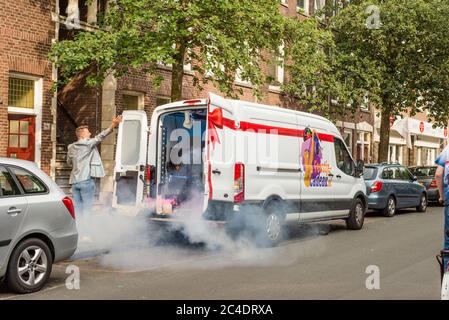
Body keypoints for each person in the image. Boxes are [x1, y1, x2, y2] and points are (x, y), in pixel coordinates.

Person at [67, 116, 123, 217]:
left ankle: (79, 228)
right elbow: (101, 136)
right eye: (88, 132)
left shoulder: (70, 147)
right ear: (83, 135)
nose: (90, 134)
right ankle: (87, 230)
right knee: (87, 209)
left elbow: (69, 162)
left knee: (78, 208)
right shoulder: (88, 144)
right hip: (86, 180)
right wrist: (114, 124)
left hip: (74, 182)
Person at [435, 145, 449, 268]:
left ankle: (447, 272)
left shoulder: (447, 149)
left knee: (448, 239)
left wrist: (442, 197)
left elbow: (438, 174)